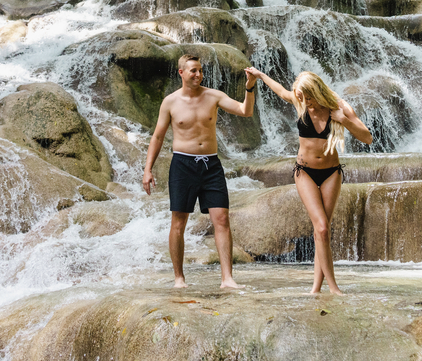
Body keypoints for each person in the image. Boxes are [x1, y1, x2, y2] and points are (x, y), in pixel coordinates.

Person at [243, 67, 372, 295]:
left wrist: (344, 120)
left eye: (309, 98)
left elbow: (367, 138)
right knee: (321, 227)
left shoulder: (339, 107)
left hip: (332, 172)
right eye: (302, 98)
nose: (306, 103)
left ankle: (316, 288)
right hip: (304, 172)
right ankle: (333, 288)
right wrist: (260, 76)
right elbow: (282, 92)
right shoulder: (299, 101)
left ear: (319, 91)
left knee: (321, 231)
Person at [142, 55, 256, 289]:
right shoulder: (170, 102)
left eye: (200, 71)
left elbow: (245, 111)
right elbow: (158, 136)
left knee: (221, 219)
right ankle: (179, 279)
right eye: (193, 71)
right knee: (178, 222)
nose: (198, 74)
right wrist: (148, 170)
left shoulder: (213, 96)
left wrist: (250, 86)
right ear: (181, 73)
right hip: (182, 165)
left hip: (211, 165)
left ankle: (227, 279)